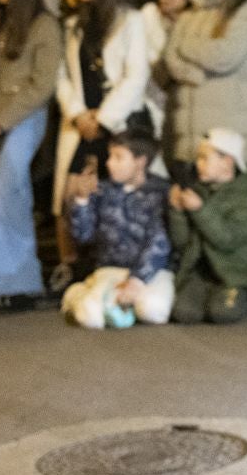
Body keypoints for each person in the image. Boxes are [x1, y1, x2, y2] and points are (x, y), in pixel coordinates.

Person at [55, 0, 160, 245]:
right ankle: (77, 263)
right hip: (82, 123)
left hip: (119, 123)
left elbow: (136, 75)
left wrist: (103, 118)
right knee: (74, 193)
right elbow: (62, 75)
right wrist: (77, 114)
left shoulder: (131, 20)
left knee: (118, 195)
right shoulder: (74, 26)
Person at [0, 0, 63, 309]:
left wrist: (2, 118)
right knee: (15, 196)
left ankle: (13, 283)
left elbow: (42, 85)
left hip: (24, 117)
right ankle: (24, 280)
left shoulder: (44, 25)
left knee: (3, 194)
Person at [161, 0, 247, 171]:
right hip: (189, 126)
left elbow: (224, 56)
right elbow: (170, 57)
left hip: (229, 123)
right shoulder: (190, 13)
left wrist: (186, 46)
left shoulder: (245, 12)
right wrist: (195, 74)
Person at [61, 129, 174, 329]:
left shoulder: (161, 192)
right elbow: (83, 236)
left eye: (118, 157)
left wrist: (137, 280)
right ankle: (78, 293)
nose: (109, 163)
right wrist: (82, 200)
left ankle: (120, 301)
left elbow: (159, 241)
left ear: (140, 161)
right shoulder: (103, 191)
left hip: (152, 271)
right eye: (110, 156)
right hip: (110, 268)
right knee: (90, 319)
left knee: (153, 311)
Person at [167, 127, 247, 325]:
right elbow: (182, 242)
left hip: (232, 273)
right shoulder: (199, 189)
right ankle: (205, 293)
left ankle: (241, 295)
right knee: (184, 313)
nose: (198, 164)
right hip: (200, 273)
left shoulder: (245, 198)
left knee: (222, 313)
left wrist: (199, 210)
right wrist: (176, 211)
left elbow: (227, 240)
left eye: (204, 158)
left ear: (227, 162)